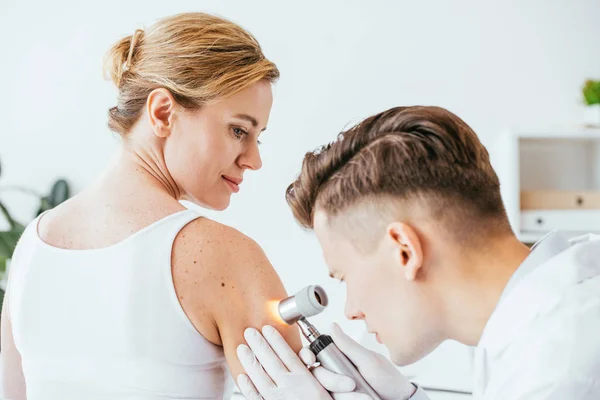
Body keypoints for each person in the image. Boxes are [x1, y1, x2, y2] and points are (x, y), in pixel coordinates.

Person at [0, 12, 300, 400]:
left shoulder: (32, 247)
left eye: (258, 137)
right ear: (162, 113)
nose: (253, 159)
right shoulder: (223, 255)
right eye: (239, 130)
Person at [236, 106, 600, 399]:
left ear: (405, 251)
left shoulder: (559, 368)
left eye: (345, 277)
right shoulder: (560, 309)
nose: (352, 310)